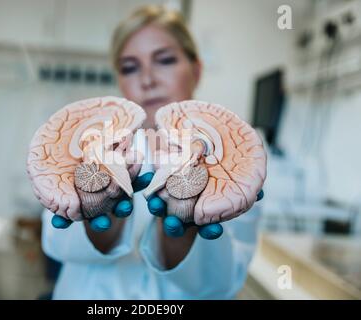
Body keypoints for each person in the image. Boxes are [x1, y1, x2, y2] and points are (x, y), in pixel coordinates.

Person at [41, 5, 263, 300]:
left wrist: (185, 227)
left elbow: (223, 281)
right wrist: (100, 207)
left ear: (195, 71)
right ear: (120, 81)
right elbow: (58, 242)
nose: (147, 79)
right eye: (130, 68)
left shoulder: (238, 154)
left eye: (165, 61)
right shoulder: (88, 143)